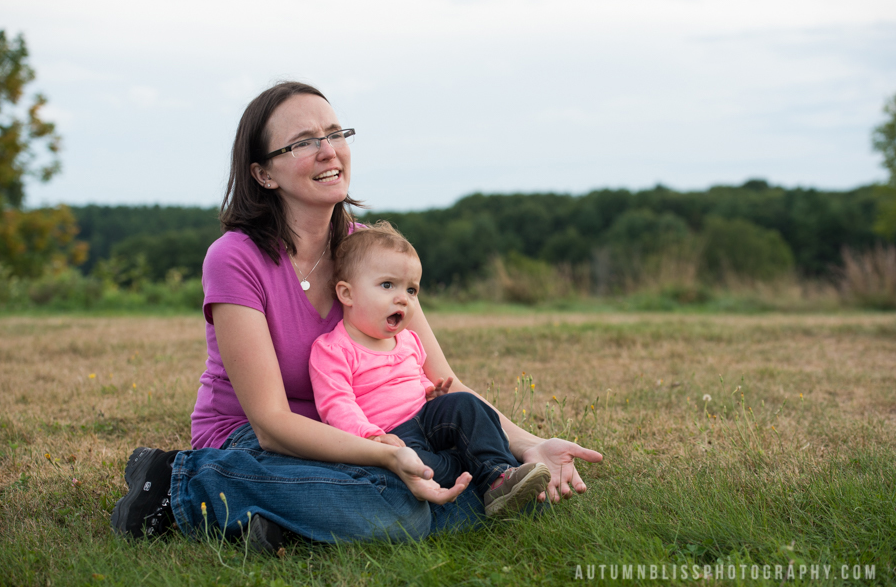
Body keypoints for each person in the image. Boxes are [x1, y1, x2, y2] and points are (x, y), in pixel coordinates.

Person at [111, 81, 603, 552]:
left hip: (372, 427)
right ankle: (180, 479)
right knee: (404, 509)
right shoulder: (235, 258)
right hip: (258, 438)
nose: (329, 150)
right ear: (263, 173)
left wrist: (527, 446)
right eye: (304, 142)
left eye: (335, 134)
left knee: (479, 481)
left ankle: (285, 517)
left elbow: (442, 382)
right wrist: (387, 456)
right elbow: (271, 424)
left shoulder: (369, 252)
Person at [310, 222, 551, 516]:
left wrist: (430, 393)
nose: (403, 298)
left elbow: (415, 378)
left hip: (427, 417)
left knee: (466, 405)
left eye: (411, 290)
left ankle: (500, 475)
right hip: (392, 436)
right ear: (347, 294)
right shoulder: (333, 349)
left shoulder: (408, 340)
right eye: (387, 285)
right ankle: (477, 476)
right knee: (422, 465)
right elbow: (337, 405)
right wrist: (372, 438)